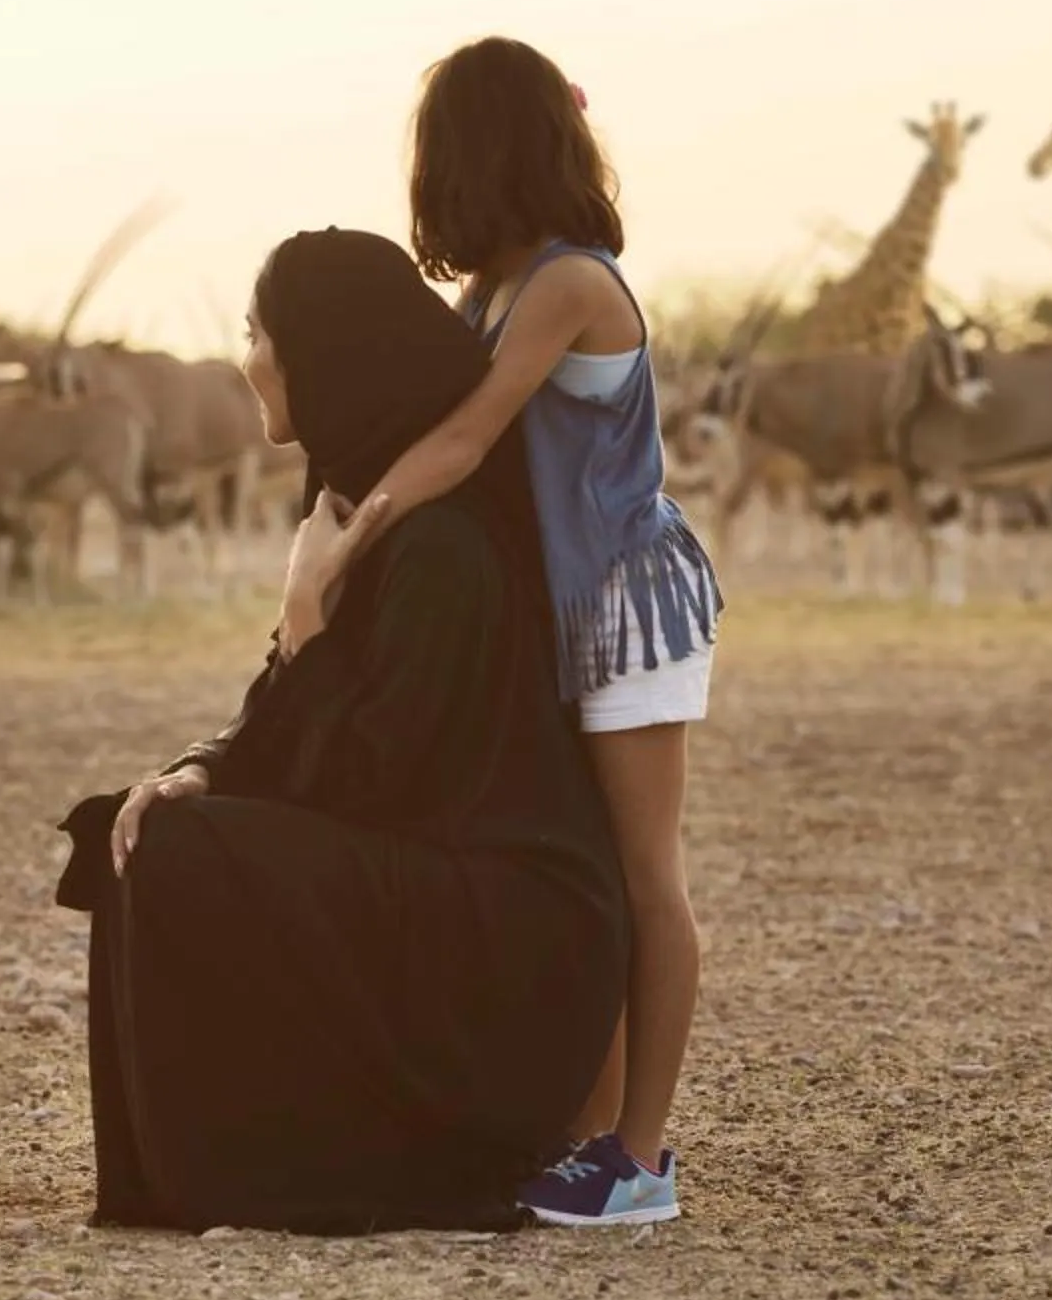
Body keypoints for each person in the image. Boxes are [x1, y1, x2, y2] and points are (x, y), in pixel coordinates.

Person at [58, 229, 627, 1235]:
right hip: (441, 894)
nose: (245, 359)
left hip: (506, 957)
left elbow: (365, 781)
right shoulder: (365, 509)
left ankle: (274, 1169)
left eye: (256, 333)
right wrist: (197, 767)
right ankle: (186, 1174)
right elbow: (284, 725)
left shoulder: (441, 548)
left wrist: (308, 620)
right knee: (137, 826)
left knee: (189, 854)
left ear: (323, 351)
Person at [357, 38, 722, 1227]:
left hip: (627, 597)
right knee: (586, 867)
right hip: (564, 603)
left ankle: (643, 1159)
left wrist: (340, 550)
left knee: (643, 875)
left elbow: (464, 439)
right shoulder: (492, 289)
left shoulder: (571, 282)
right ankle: (588, 1137)